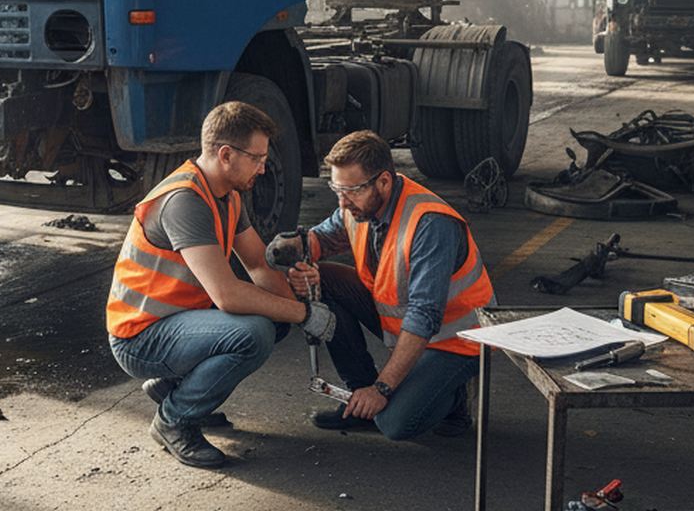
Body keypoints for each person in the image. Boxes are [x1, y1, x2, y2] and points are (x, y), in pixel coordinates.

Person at [106, 101, 336, 468]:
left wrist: (299, 305)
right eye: (257, 158)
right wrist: (303, 313)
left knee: (272, 319)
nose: (264, 167)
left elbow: (259, 264)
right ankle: (174, 419)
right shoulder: (184, 201)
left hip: (178, 320)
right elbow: (227, 295)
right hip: (140, 336)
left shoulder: (229, 194)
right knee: (254, 333)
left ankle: (174, 389)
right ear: (226, 154)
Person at [273, 130, 495, 441]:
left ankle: (454, 399)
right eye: (336, 188)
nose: (342, 201)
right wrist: (291, 249)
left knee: (396, 424)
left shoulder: (430, 224)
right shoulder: (357, 206)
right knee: (326, 279)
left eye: (351, 190)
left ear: (384, 182)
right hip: (407, 324)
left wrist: (383, 388)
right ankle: (359, 398)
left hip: (458, 340)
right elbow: (321, 238)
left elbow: (425, 316)